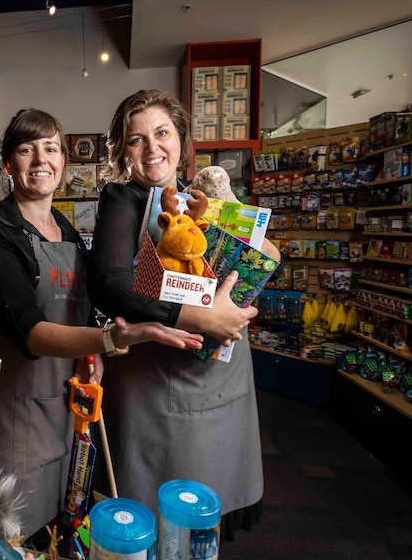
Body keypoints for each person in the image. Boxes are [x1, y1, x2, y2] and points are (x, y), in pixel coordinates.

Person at [0, 108, 204, 540]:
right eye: (26, 150)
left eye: (51, 149)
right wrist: (114, 338)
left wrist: (92, 352)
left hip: (64, 409)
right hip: (12, 412)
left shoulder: (68, 233)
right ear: (8, 165)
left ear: (63, 163)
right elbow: (30, 330)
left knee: (61, 526)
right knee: (9, 534)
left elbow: (83, 309)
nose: (41, 160)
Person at [87, 89, 282, 540]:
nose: (152, 148)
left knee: (206, 512)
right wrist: (199, 318)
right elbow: (110, 285)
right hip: (160, 380)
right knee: (163, 511)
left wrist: (241, 226)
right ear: (123, 151)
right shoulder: (124, 199)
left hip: (222, 371)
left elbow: (264, 258)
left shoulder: (204, 197)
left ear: (181, 140)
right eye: (136, 140)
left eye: (162, 133)